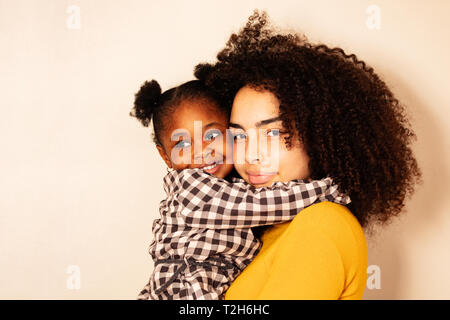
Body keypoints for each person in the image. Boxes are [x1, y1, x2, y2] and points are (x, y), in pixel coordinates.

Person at [194, 10, 422, 299]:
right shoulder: (258, 231)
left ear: (320, 134)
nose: (250, 155)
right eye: (239, 136)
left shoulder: (322, 225)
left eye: (274, 133)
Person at [129, 79, 350, 299]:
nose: (202, 151)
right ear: (165, 156)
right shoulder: (192, 188)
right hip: (184, 286)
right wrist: (329, 188)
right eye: (183, 144)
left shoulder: (321, 224)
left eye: (212, 136)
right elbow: (264, 205)